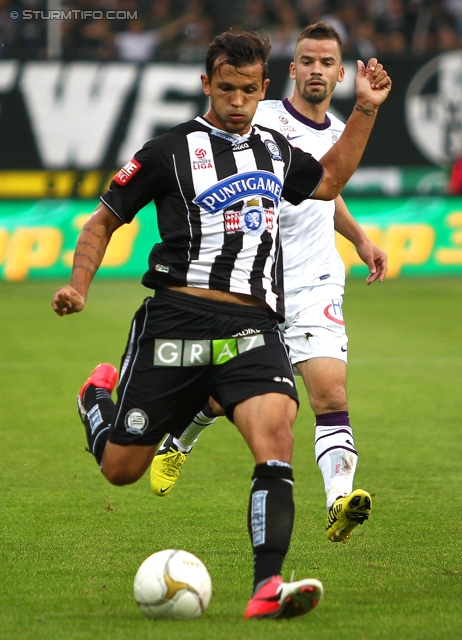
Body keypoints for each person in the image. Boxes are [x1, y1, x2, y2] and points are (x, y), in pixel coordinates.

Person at [52, 31, 391, 619]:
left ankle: (266, 586)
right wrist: (77, 287)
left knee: (276, 434)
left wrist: (363, 108)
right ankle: (95, 398)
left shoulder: (276, 153)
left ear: (264, 88)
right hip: (176, 320)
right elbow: (101, 222)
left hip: (252, 324)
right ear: (208, 85)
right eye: (226, 88)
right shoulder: (166, 151)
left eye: (248, 90)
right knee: (122, 469)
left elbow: (331, 181)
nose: (237, 101)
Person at [150, 23, 388, 545]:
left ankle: (338, 500)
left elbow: (327, 189)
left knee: (329, 391)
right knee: (222, 395)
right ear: (292, 69)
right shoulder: (263, 120)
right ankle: (180, 440)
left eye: (327, 62)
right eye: (308, 61)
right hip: (253, 284)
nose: (317, 70)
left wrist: (360, 240)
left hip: (314, 282)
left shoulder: (339, 131)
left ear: (340, 72)